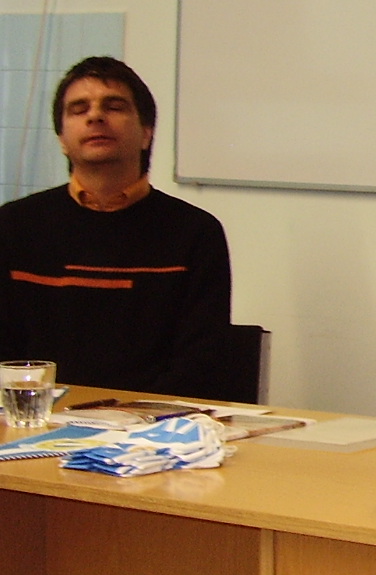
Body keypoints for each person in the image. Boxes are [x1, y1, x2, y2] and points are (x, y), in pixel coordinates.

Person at [0, 56, 233, 397]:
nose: (95, 116)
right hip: (37, 418)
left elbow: (200, 364)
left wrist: (127, 417)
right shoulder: (13, 226)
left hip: (151, 422)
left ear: (146, 133)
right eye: (79, 109)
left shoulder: (195, 233)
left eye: (114, 106)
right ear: (62, 139)